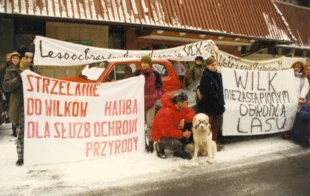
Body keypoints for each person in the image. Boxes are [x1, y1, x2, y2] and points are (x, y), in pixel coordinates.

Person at [3, 47, 40, 166]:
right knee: (21, 133)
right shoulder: (11, 71)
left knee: (34, 133)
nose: (28, 60)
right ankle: (21, 156)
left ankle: (34, 154)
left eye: (31, 58)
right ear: (20, 58)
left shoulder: (35, 70)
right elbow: (6, 87)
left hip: (33, 107)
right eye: (26, 57)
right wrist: (19, 78)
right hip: (20, 107)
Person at [133, 55, 164, 153]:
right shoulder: (137, 73)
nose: (143, 64)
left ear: (150, 64)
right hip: (139, 103)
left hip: (151, 102)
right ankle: (141, 143)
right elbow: (131, 86)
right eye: (142, 62)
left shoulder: (155, 74)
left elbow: (161, 88)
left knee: (150, 124)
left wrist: (156, 96)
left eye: (146, 62)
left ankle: (150, 143)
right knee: (139, 124)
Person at [152, 92, 195, 159]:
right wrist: (183, 134)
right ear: (179, 103)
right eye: (186, 102)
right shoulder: (166, 112)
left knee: (190, 124)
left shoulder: (180, 107)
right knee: (176, 145)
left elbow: (191, 112)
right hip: (161, 135)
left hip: (173, 130)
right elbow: (166, 132)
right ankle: (159, 146)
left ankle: (179, 151)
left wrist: (183, 119)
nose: (188, 104)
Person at [197, 57, 225, 150]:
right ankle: (206, 145)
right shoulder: (205, 77)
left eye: (215, 65)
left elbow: (220, 90)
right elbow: (209, 92)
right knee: (208, 127)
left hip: (218, 105)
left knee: (216, 126)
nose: (214, 67)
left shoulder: (217, 75)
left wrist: (221, 103)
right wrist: (218, 102)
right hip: (209, 105)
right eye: (212, 65)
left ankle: (213, 144)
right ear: (207, 65)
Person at [282, 61, 309, 139]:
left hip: (298, 101)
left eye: (298, 67)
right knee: (288, 116)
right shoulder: (288, 76)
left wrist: (301, 98)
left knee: (295, 117)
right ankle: (285, 132)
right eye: (295, 66)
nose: (296, 68)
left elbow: (306, 88)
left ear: (302, 68)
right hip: (288, 100)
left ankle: (293, 132)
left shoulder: (304, 78)